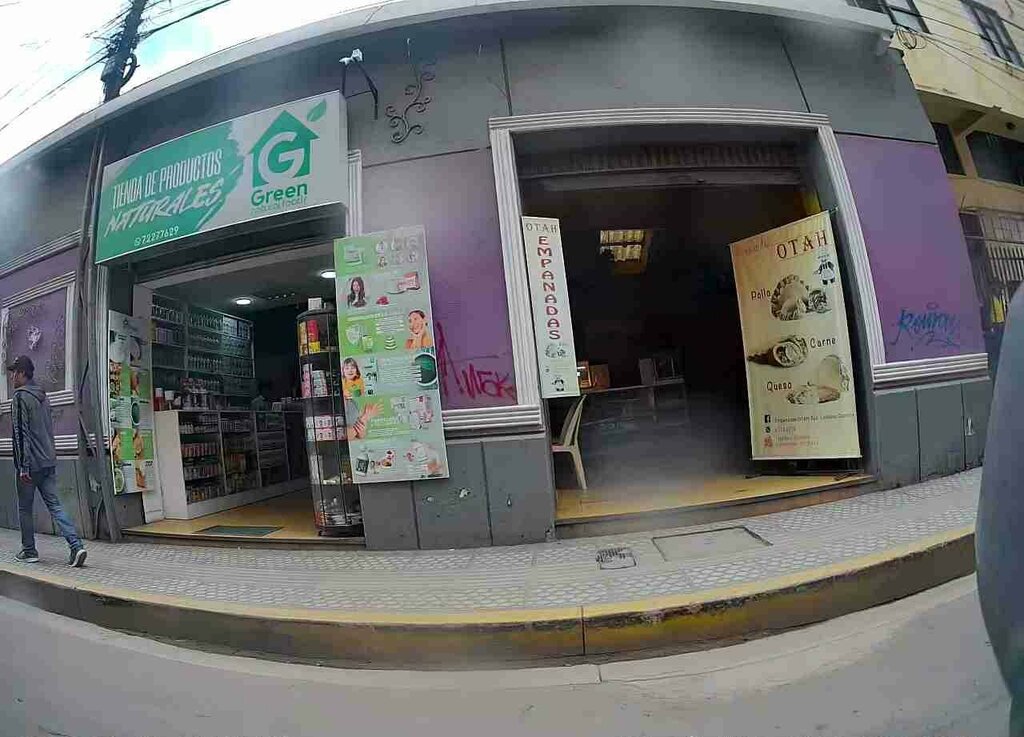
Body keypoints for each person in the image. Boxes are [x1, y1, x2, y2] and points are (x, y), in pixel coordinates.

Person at [8, 356, 86, 567]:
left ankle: (29, 551)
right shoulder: (43, 396)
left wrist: (23, 466)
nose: (12, 377)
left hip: (30, 465)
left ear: (23, 373)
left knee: (25, 509)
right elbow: (48, 431)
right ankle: (76, 546)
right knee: (55, 505)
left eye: (15, 372)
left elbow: (21, 433)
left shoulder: (20, 397)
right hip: (47, 461)